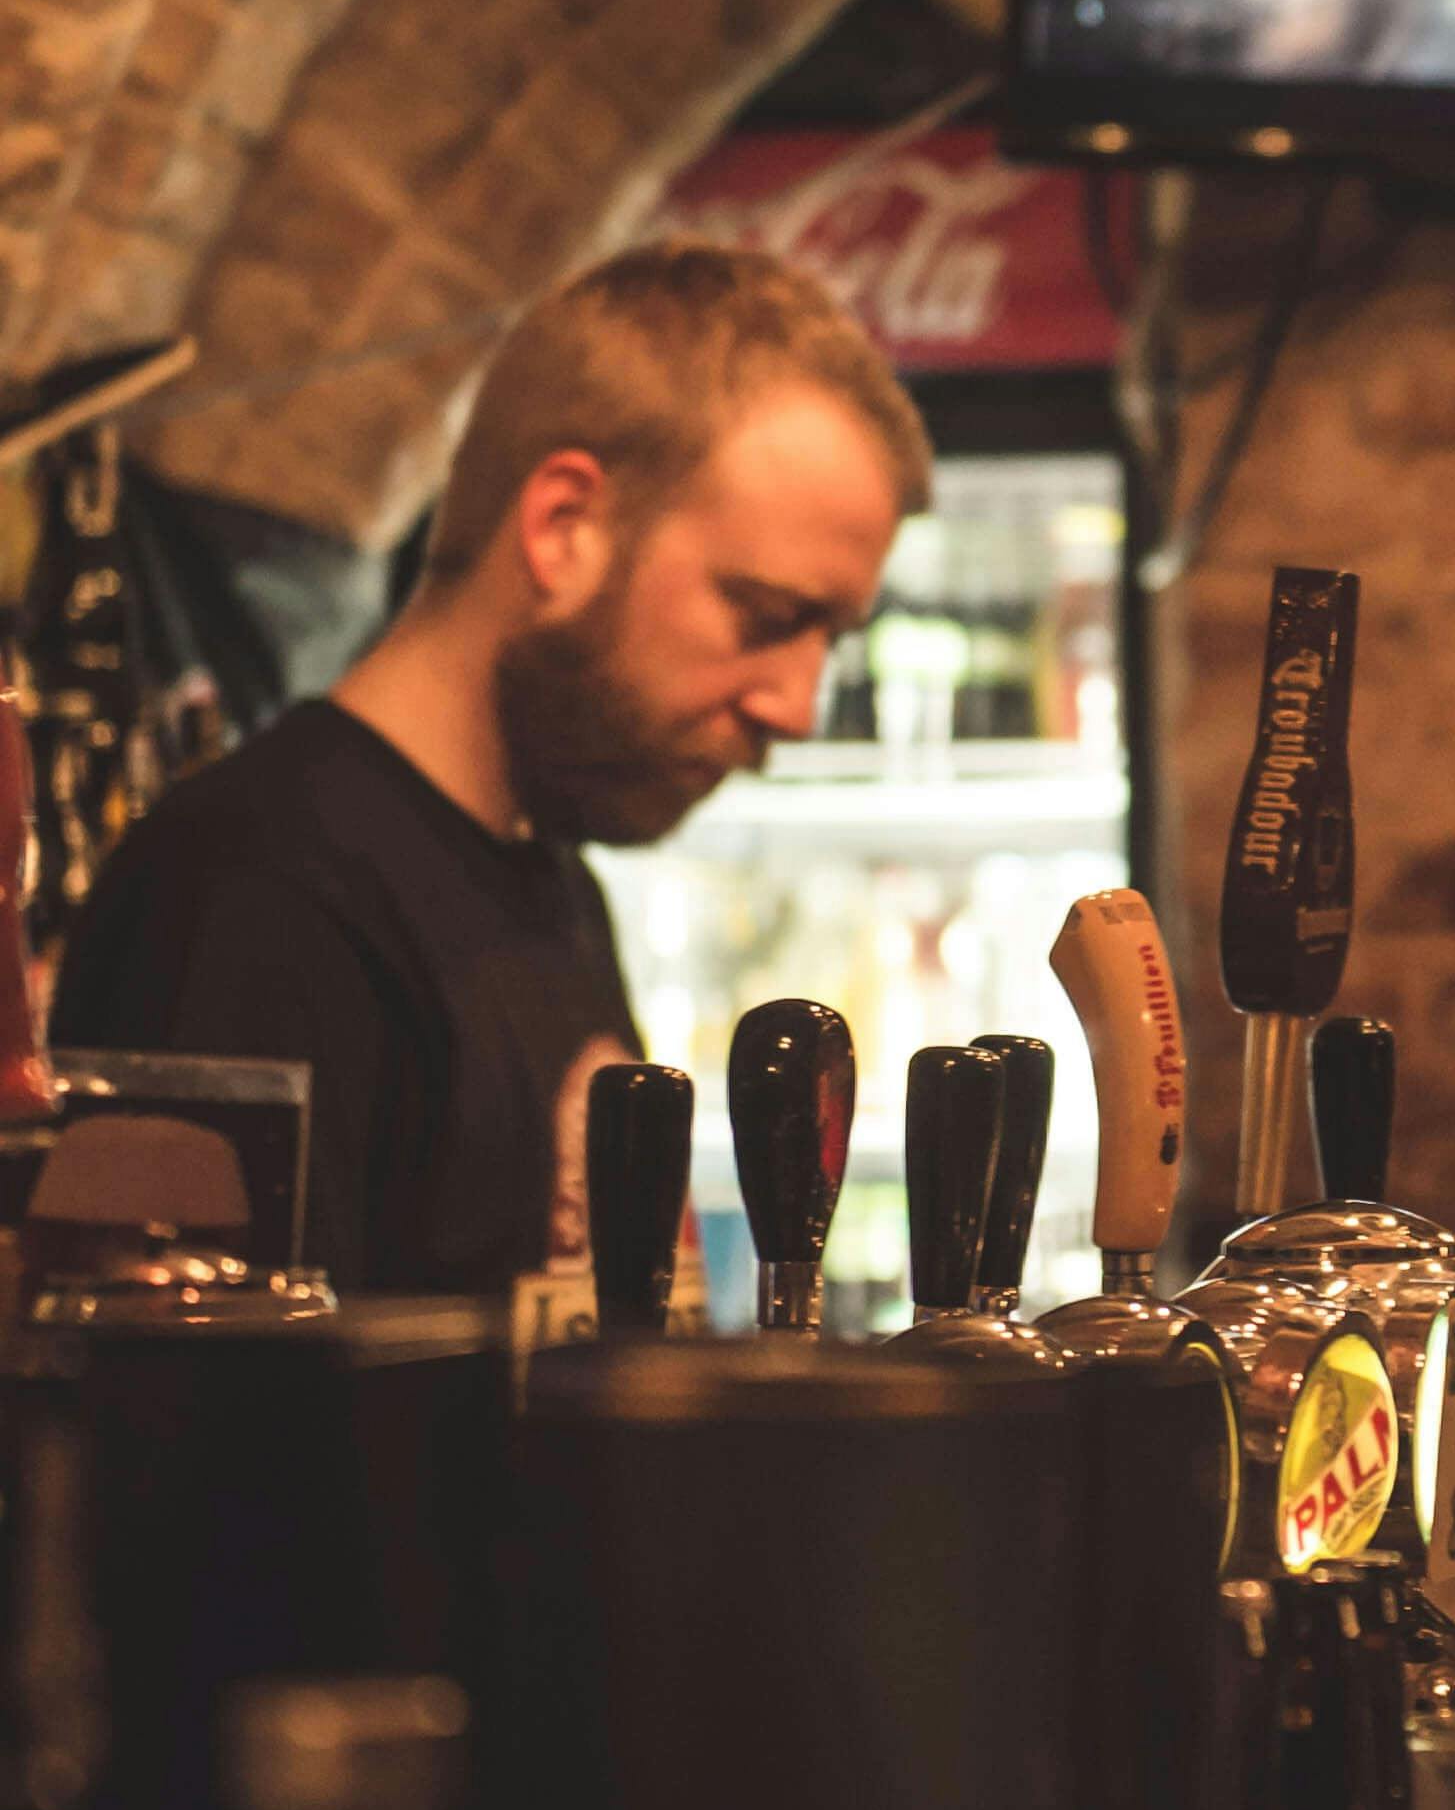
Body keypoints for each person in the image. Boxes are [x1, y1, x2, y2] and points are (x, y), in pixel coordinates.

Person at [50, 245, 929, 1293]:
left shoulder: (552, 880)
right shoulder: (251, 891)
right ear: (564, 527)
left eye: (829, 639)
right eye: (769, 616)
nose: (796, 704)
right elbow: (206, 1437)